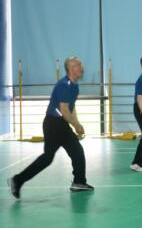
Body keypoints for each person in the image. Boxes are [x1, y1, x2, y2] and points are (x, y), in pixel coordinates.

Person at [7, 57, 93, 200]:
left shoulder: (74, 85)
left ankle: (79, 182)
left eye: (80, 64)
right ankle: (17, 180)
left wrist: (77, 123)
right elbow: (64, 111)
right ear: (71, 69)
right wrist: (77, 126)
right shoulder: (64, 85)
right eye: (78, 64)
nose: (81, 66)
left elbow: (71, 108)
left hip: (60, 124)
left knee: (74, 152)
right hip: (54, 124)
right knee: (51, 157)